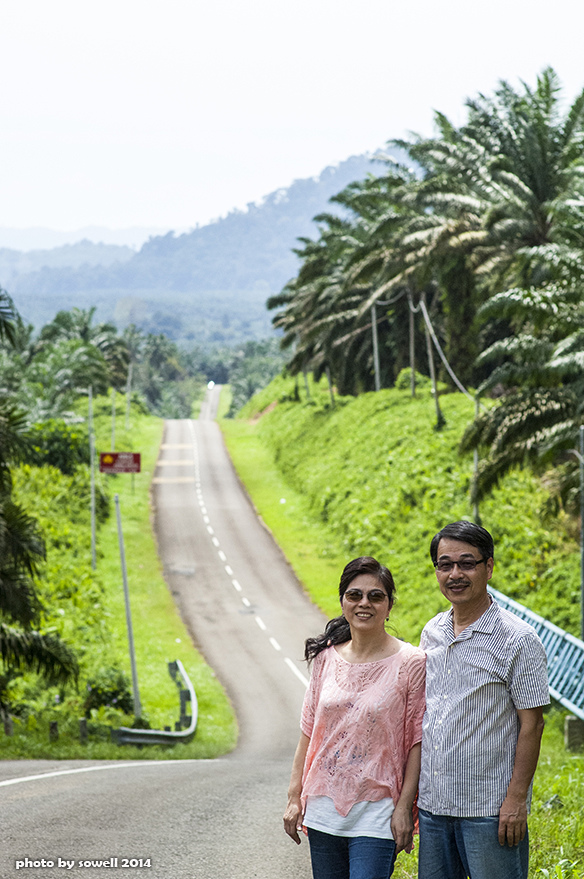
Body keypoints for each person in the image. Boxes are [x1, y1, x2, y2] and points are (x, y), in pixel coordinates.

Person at [417, 521, 550, 879]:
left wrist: (516, 800)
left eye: (467, 563)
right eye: (445, 564)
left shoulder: (518, 639)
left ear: (488, 567)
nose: (455, 574)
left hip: (489, 811)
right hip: (433, 808)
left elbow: (532, 723)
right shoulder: (432, 633)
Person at [283, 556, 426, 879]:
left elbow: (417, 742)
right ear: (343, 602)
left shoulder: (412, 662)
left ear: (389, 606)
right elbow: (308, 733)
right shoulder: (325, 659)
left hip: (378, 811)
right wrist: (294, 798)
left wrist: (405, 807)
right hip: (322, 808)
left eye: (376, 596)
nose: (365, 603)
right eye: (355, 595)